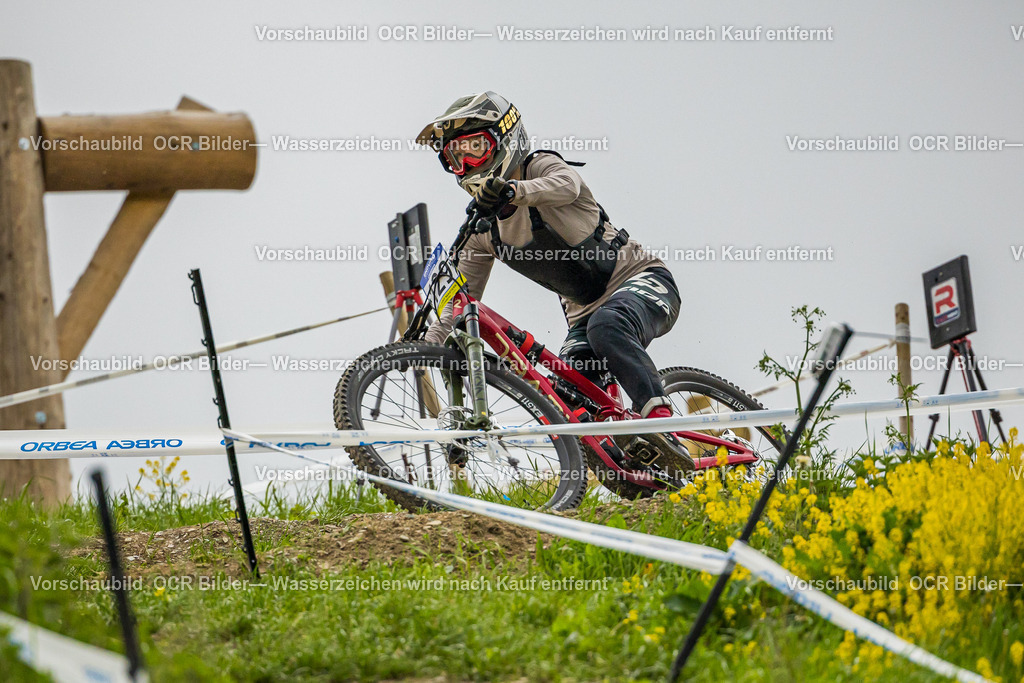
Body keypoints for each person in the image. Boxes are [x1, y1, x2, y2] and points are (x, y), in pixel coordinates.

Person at [416, 91, 693, 473]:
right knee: (569, 391)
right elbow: (460, 304)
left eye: (475, 148)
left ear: (504, 139)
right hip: (583, 315)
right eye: (455, 156)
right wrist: (419, 350)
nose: (466, 163)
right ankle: (630, 472)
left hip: (642, 280)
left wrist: (514, 191)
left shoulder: (537, 167)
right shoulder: (483, 233)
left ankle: (665, 428)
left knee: (608, 327)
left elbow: (568, 185)